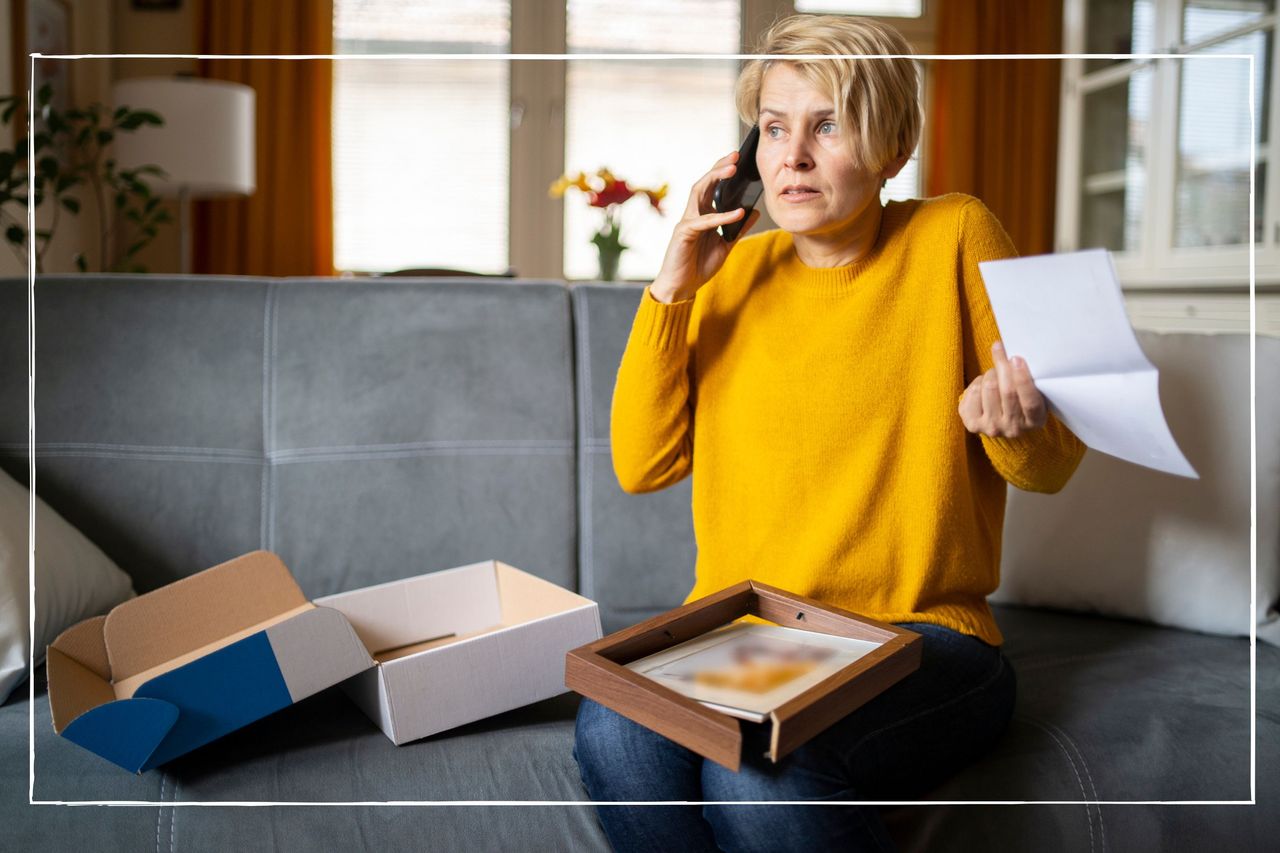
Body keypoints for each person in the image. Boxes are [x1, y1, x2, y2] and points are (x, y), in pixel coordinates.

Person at [573, 13, 1086, 853]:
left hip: (924, 638)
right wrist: (672, 291)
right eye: (773, 129)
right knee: (613, 729)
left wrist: (1017, 421)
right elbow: (641, 462)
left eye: (827, 126)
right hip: (753, 639)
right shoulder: (731, 273)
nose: (791, 157)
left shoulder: (953, 234)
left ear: (891, 146)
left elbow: (1051, 463)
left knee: (766, 767)